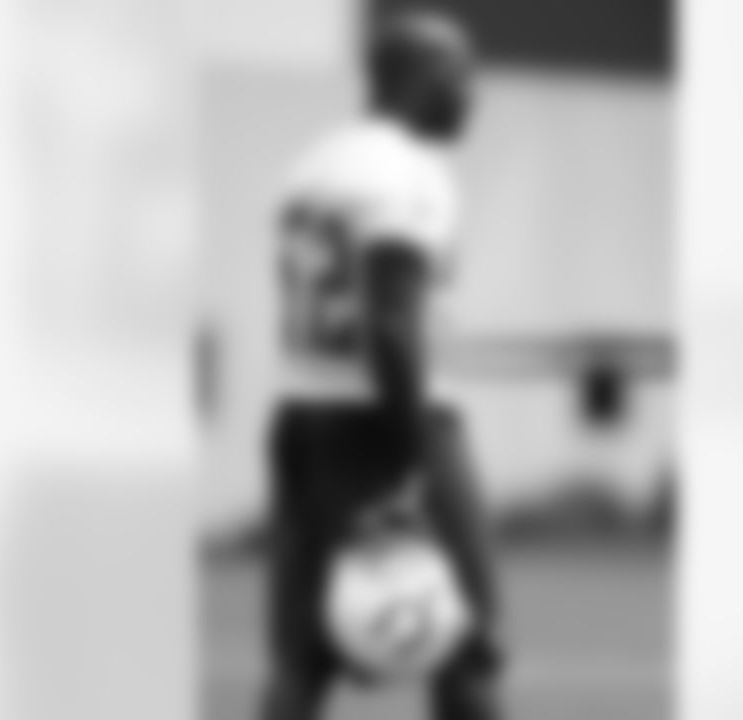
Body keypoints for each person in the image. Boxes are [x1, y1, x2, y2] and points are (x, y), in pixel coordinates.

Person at [258, 6, 504, 720]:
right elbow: (391, 324)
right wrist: (413, 456)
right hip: (385, 421)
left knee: (301, 658)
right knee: (471, 645)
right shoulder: (408, 173)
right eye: (462, 74)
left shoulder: (312, 163)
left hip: (301, 419)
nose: (473, 93)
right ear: (419, 77)